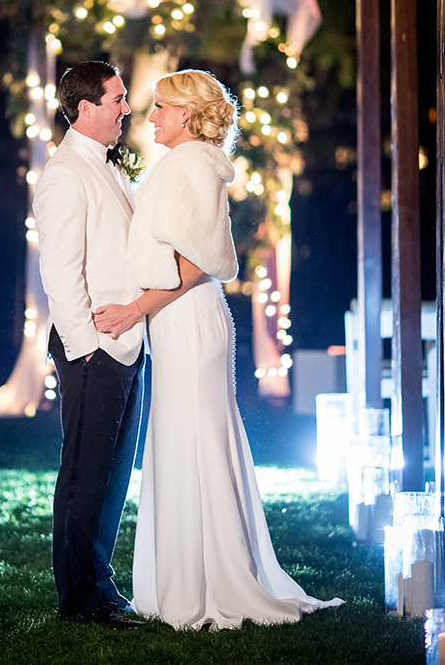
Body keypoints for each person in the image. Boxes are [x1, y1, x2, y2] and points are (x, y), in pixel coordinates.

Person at [94, 69, 343, 630]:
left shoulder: (193, 167)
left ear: (186, 115)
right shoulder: (186, 164)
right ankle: (181, 580)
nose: (150, 116)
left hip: (187, 318)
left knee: (197, 443)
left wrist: (136, 309)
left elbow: (196, 260)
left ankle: (208, 583)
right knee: (184, 442)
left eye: (160, 107)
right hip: (178, 321)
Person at [32, 60, 146, 630]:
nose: (126, 108)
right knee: (84, 475)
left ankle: (99, 584)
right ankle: (80, 598)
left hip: (128, 343)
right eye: (117, 99)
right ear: (86, 108)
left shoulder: (109, 167)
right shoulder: (63, 176)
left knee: (113, 473)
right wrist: (86, 348)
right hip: (95, 349)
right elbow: (60, 272)